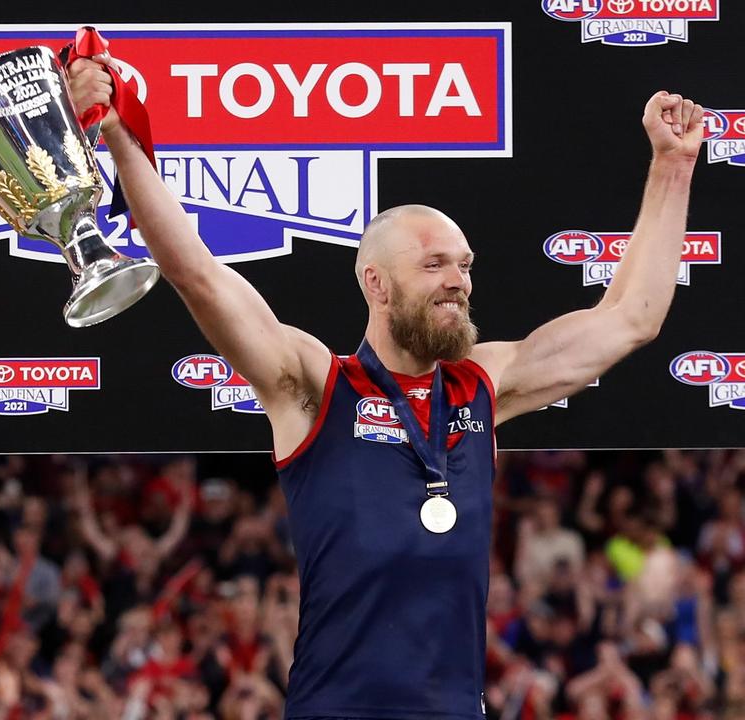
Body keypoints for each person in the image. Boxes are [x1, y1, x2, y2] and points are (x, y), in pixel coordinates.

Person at [69, 54, 704, 718]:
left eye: (463, 265)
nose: (458, 280)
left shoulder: (484, 384)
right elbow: (198, 274)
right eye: (434, 264)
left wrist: (673, 165)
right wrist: (118, 131)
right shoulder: (315, 385)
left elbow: (631, 317)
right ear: (376, 284)